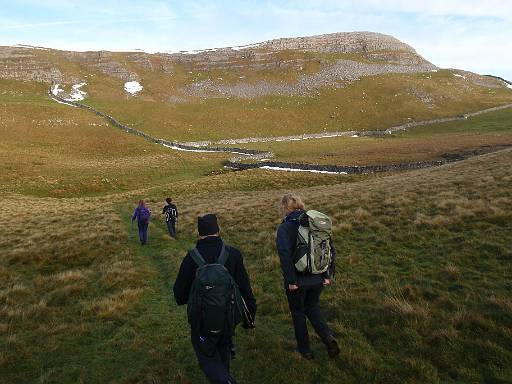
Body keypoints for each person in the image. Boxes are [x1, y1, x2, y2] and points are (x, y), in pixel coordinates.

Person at [173, 214, 256, 384]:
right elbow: (245, 288)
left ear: (199, 233)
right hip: (228, 317)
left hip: (201, 322)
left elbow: (179, 296)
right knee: (224, 351)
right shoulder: (233, 254)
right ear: (218, 230)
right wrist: (250, 315)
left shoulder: (191, 258)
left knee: (207, 356)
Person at [276, 193, 340, 360]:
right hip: (318, 277)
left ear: (284, 208)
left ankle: (305, 352)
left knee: (298, 313)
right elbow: (329, 248)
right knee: (312, 307)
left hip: (298, 281)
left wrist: (291, 281)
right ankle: (328, 338)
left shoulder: (285, 227)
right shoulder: (315, 223)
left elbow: (284, 255)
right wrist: (327, 274)